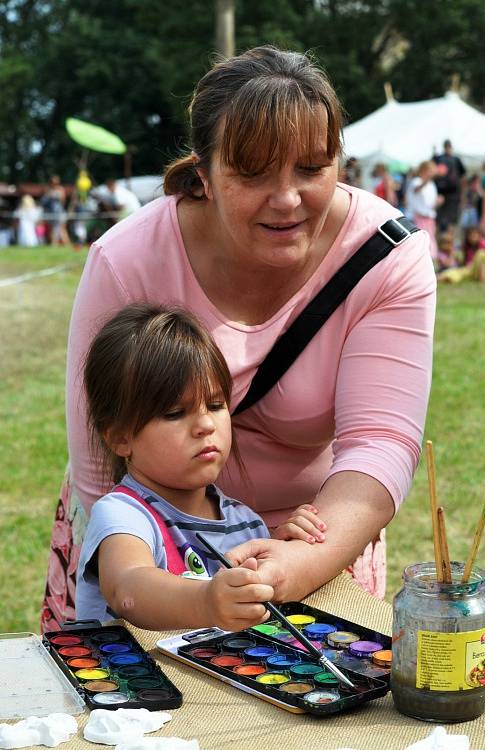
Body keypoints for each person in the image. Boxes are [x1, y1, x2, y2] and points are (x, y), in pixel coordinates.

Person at [42, 45, 436, 632]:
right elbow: (100, 477)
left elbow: (379, 442)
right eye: (252, 174)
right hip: (153, 559)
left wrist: (305, 556)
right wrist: (186, 592)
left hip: (316, 544)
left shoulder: (385, 258)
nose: (287, 199)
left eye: (311, 169)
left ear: (339, 163)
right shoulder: (125, 260)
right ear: (204, 173)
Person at [76, 303, 326, 630]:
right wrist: (205, 601)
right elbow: (129, 587)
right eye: (175, 413)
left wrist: (282, 550)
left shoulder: (246, 524)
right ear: (121, 438)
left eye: (216, 404)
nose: (205, 424)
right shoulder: (123, 515)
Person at [405, 161, 439, 262]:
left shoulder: (432, 185)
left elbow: (431, 204)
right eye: (430, 171)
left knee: (430, 241)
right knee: (420, 243)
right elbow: (416, 190)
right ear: (424, 170)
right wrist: (426, 181)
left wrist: (438, 202)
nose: (432, 173)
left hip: (429, 218)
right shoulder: (416, 181)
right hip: (417, 218)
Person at [433, 139, 466, 232]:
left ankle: (448, 242)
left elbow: (463, 178)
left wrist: (462, 195)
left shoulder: (456, 159)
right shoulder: (439, 158)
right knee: (439, 219)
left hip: (453, 194)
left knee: (450, 220)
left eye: (449, 146)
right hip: (440, 193)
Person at [41, 176, 70, 245]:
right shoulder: (48, 190)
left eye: (56, 183)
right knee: (54, 229)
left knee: (61, 228)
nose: (54, 184)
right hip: (52, 213)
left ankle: (64, 243)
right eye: (53, 182)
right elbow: (44, 202)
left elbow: (63, 201)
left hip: (60, 212)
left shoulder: (61, 189)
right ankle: (55, 243)